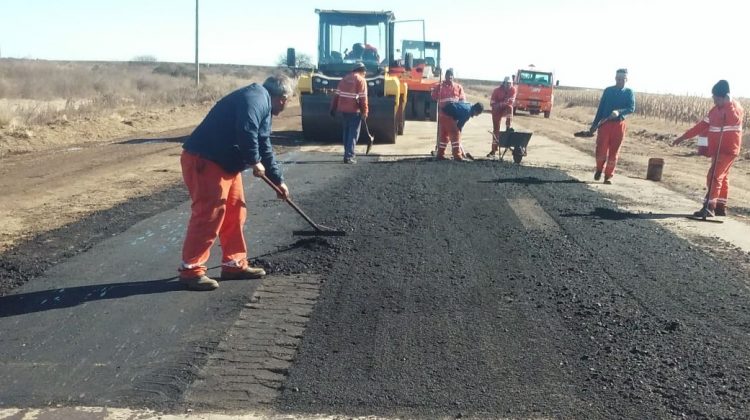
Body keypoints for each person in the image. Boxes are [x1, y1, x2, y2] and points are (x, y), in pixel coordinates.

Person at [178, 75, 294, 291]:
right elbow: (246, 129)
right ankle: (191, 270)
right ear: (284, 98)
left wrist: (279, 180)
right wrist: (254, 161)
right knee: (209, 214)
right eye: (289, 101)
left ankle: (234, 264)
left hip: (226, 163)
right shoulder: (256, 98)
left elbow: (263, 142)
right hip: (205, 159)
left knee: (235, 212)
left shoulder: (264, 105)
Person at [672, 80, 744, 217]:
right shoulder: (714, 110)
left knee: (714, 176)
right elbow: (700, 126)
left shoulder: (735, 108)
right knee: (722, 177)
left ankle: (709, 206)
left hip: (728, 150)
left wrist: (728, 104)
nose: (714, 100)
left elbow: (733, 120)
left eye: (716, 98)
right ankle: (720, 207)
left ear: (725, 97)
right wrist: (682, 137)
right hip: (717, 150)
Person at [588, 68, 636, 184]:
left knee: (614, 153)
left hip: (619, 126)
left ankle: (608, 176)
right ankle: (599, 169)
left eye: (623, 79)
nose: (620, 81)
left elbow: (631, 108)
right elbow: (600, 109)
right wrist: (594, 125)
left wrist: (619, 112)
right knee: (601, 150)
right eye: (618, 79)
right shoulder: (608, 91)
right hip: (604, 124)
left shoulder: (629, 92)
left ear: (626, 79)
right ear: (615, 78)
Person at [330, 62, 368, 164]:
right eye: (365, 71)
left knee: (346, 132)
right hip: (354, 111)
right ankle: (349, 156)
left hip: (343, 110)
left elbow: (336, 95)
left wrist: (333, 108)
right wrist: (365, 112)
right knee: (353, 133)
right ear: (361, 70)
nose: (365, 73)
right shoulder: (361, 80)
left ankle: (347, 153)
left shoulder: (344, 79)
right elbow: (363, 98)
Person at [431, 68, 467, 160]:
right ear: (445, 76)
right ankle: (457, 155)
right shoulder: (440, 87)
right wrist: (436, 89)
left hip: (454, 115)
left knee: (444, 135)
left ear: (453, 76)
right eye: (448, 75)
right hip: (444, 114)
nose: (450, 77)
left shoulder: (458, 87)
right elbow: (433, 97)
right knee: (455, 134)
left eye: (451, 75)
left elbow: (463, 100)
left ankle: (440, 154)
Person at [487, 76, 517, 157]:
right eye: (507, 83)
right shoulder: (497, 91)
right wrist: (500, 104)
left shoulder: (513, 90)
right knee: (496, 130)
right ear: (503, 83)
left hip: (505, 108)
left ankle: (508, 126)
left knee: (510, 108)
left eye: (510, 83)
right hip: (497, 111)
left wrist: (502, 104)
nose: (508, 85)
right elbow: (492, 103)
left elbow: (511, 102)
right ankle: (493, 150)